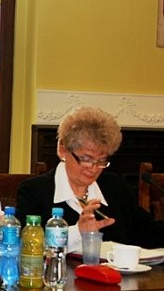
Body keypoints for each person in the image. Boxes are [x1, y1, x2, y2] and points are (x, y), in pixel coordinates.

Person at [16, 106, 164, 251]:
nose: (93, 168)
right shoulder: (33, 191)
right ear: (63, 151)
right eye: (86, 159)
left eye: (101, 161)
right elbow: (29, 246)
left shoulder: (115, 186)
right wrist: (78, 231)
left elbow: (147, 233)